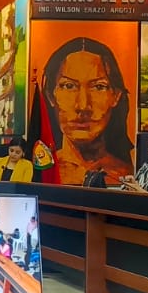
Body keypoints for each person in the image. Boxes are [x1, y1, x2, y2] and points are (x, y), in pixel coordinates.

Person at [42, 36, 134, 185]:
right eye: (69, 86)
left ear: (116, 96)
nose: (83, 106)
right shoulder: (44, 170)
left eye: (98, 87)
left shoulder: (124, 173)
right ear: (51, 95)